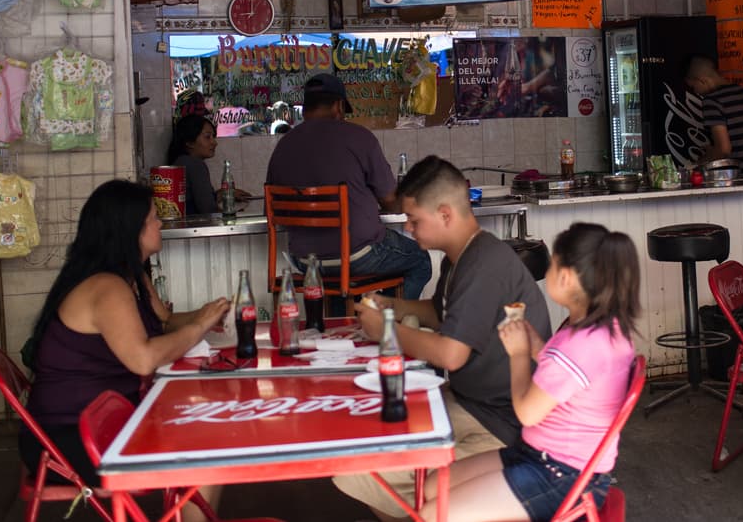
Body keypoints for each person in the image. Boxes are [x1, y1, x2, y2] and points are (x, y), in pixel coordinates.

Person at [337, 155, 551, 521]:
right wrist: (392, 306)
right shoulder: (461, 256)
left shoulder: (484, 263)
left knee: (358, 467)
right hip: (472, 403)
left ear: (446, 214)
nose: (408, 229)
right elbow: (442, 314)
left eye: (414, 220)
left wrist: (385, 330)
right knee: (364, 442)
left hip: (502, 423)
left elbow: (451, 354)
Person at [21, 180, 230, 522]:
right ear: (130, 230)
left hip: (104, 421)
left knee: (204, 429)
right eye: (153, 218)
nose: (160, 224)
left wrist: (207, 313)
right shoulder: (107, 287)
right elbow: (144, 358)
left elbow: (162, 323)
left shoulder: (132, 275)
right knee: (203, 447)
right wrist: (198, 327)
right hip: (71, 438)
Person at [422, 222, 639, 522]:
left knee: (434, 513)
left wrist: (519, 356)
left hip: (561, 476)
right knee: (433, 486)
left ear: (564, 277)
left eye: (551, 267)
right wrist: (537, 347)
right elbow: (570, 380)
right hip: (540, 455)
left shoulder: (581, 346)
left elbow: (526, 413)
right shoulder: (604, 330)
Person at [266, 73, 431, 300]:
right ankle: (392, 324)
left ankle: (345, 325)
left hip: (304, 260)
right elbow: (392, 201)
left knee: (338, 284)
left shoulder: (283, 146)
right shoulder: (359, 137)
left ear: (305, 109)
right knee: (420, 259)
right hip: (359, 254)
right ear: (338, 106)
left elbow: (273, 211)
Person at [684, 55, 743, 175]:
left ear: (702, 80)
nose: (695, 91)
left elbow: (724, 150)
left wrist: (702, 161)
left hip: (737, 179)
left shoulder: (712, 101)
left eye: (693, 87)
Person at [167, 114, 219, 216]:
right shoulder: (195, 164)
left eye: (213, 136)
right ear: (189, 142)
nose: (214, 142)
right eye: (207, 137)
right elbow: (208, 210)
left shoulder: (181, 161)